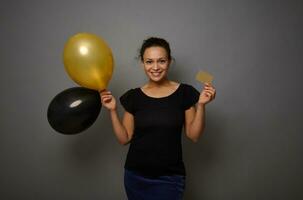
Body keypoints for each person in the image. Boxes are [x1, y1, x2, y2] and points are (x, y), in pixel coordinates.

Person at [100, 37, 216, 200]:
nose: (155, 67)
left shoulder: (184, 93)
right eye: (149, 62)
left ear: (169, 62)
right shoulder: (133, 96)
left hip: (169, 178)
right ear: (142, 63)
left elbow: (194, 135)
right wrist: (112, 110)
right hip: (135, 176)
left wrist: (202, 105)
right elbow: (124, 138)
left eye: (161, 61)